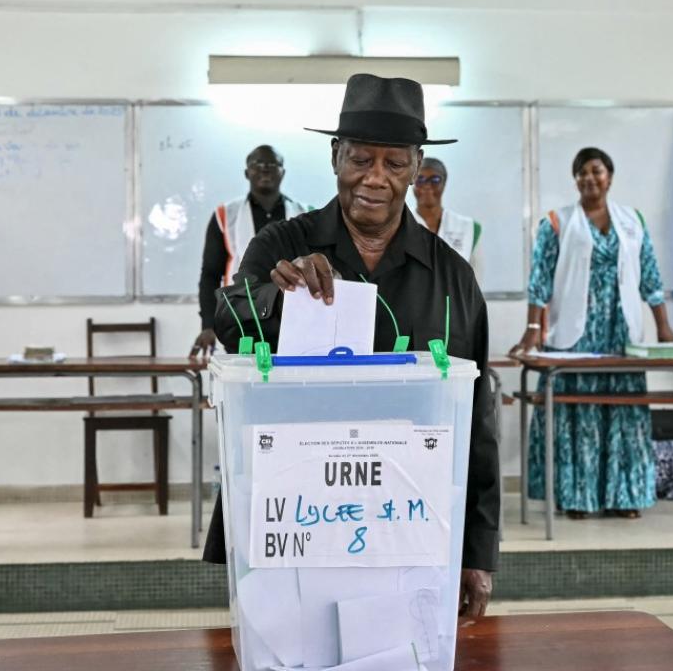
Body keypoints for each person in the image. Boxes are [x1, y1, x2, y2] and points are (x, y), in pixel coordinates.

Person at [203, 74, 500, 617]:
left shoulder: (452, 279)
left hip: (405, 522)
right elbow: (230, 317)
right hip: (295, 516)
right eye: (361, 159)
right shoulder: (283, 243)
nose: (376, 179)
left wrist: (478, 550)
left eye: (394, 163)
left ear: (415, 168)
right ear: (336, 156)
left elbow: (477, 418)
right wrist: (280, 292)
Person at [510, 147, 673, 519]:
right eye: (581, 173)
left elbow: (650, 276)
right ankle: (577, 498)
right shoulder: (557, 221)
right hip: (577, 335)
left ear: (610, 176)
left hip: (621, 335)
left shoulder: (632, 220)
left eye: (596, 171)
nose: (589, 178)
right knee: (579, 415)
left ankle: (625, 497)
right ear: (575, 180)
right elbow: (539, 281)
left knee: (625, 414)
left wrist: (664, 326)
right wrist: (533, 330)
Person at [189, 145, 312, 357]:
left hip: (293, 319)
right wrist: (208, 325)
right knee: (245, 384)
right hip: (241, 321)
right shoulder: (225, 215)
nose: (265, 169)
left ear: (283, 172)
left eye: (273, 164)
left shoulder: (304, 214)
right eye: (258, 164)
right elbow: (210, 275)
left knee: (292, 385)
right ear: (247, 172)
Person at [411, 156, 483, 278]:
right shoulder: (399, 225)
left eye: (435, 180)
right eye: (420, 179)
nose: (427, 186)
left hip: (457, 297)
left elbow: (476, 280)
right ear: (412, 183)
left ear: (444, 183)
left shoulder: (468, 228)